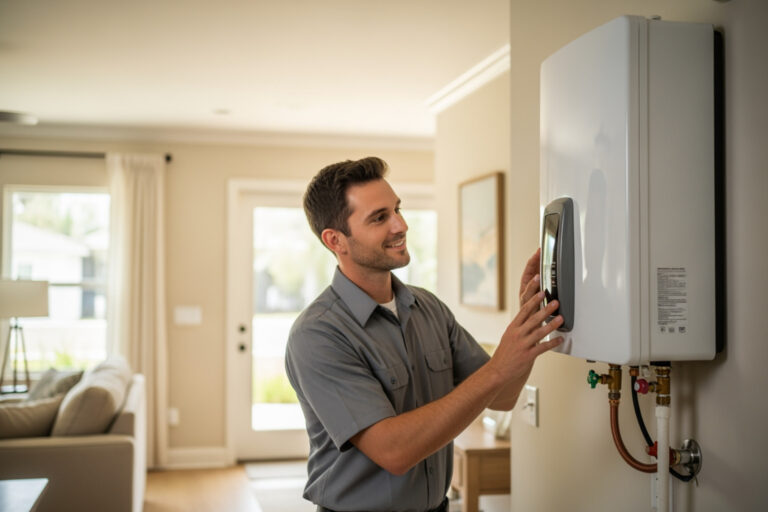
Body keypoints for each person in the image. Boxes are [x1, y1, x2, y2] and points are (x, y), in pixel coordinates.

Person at [285, 157, 564, 512]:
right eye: (379, 217)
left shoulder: (428, 308)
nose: (400, 225)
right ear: (335, 240)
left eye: (397, 210)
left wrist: (528, 325)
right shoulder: (318, 334)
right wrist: (497, 368)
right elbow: (394, 451)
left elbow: (504, 396)